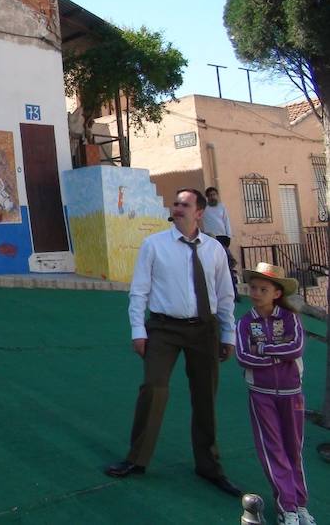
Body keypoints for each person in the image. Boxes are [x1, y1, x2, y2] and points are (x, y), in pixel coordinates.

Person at [105, 188, 243, 497]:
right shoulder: (153, 245)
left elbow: (225, 296)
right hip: (163, 328)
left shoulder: (214, 250)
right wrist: (137, 330)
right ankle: (136, 460)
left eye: (185, 204)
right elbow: (139, 290)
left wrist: (227, 333)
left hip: (204, 330)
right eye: (176, 203)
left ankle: (209, 466)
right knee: (153, 389)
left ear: (199, 213)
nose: (177, 207)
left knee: (205, 396)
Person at [236, 263, 315, 525]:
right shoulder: (245, 322)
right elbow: (243, 356)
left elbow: (296, 347)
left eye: (263, 289)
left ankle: (300, 505)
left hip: (292, 393)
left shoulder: (290, 318)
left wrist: (266, 350)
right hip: (261, 393)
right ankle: (286, 507)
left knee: (294, 448)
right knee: (273, 450)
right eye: (253, 288)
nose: (256, 293)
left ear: (276, 293)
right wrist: (275, 358)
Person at [203, 186, 239, 302]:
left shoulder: (222, 207)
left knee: (227, 266)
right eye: (210, 195)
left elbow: (226, 221)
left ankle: (234, 293)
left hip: (222, 238)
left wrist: (228, 236)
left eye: (214, 194)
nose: (213, 197)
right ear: (207, 197)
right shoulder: (204, 209)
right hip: (210, 239)